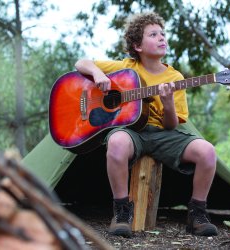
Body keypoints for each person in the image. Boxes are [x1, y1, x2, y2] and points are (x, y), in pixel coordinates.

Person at [75, 12, 218, 237]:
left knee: (207, 152)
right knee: (116, 142)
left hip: (163, 134)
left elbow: (171, 125)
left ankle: (197, 214)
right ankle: (121, 212)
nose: (162, 37)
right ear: (137, 46)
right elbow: (81, 62)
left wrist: (168, 102)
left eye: (162, 33)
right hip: (133, 131)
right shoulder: (127, 67)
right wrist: (96, 73)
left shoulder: (175, 77)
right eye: (153, 34)